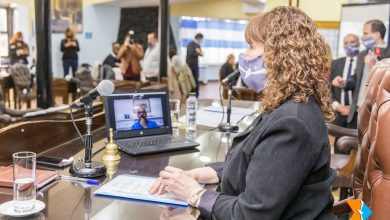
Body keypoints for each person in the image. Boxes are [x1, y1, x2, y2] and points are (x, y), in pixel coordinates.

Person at [149, 7, 336, 220]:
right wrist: (206, 173)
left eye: (251, 46)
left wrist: (195, 194)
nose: (244, 55)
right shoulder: (288, 106)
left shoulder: (292, 121)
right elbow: (260, 165)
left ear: (279, 55)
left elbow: (251, 214)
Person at [332, 19, 390, 128]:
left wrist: (374, 66)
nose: (362, 37)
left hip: (378, 113)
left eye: (365, 33)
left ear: (377, 35)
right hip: (357, 112)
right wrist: (344, 83)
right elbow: (356, 80)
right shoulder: (362, 54)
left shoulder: (388, 53)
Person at [329, 34, 360, 129]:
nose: (349, 45)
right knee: (339, 143)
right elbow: (327, 88)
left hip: (358, 114)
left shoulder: (363, 63)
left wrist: (354, 108)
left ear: (358, 43)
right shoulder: (335, 63)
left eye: (352, 42)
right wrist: (337, 106)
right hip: (339, 114)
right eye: (346, 43)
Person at [186, 33, 203, 97]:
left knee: (196, 80)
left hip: (195, 65)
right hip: (190, 65)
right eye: (201, 39)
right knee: (190, 80)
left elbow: (201, 54)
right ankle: (191, 94)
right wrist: (197, 52)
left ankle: (196, 94)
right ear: (198, 38)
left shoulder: (198, 45)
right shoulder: (191, 44)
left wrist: (198, 52)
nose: (201, 41)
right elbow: (191, 53)